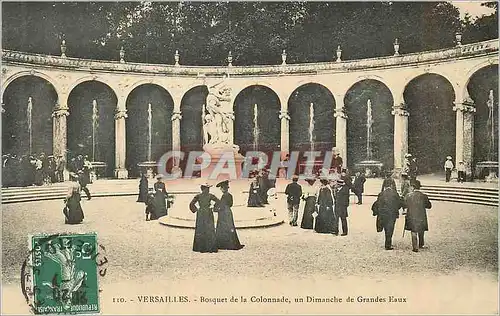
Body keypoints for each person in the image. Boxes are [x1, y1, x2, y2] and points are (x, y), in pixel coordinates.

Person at [372, 178, 403, 250]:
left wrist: (375, 212)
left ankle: (387, 243)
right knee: (390, 228)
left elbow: (377, 204)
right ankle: (388, 244)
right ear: (392, 185)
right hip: (392, 214)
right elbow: (399, 204)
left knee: (386, 228)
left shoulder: (381, 194)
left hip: (383, 214)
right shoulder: (395, 194)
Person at [189, 182, 219, 253]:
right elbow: (218, 202)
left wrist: (196, 210)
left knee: (202, 229)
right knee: (209, 229)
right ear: (204, 189)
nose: (208, 190)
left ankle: (200, 247)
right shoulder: (210, 195)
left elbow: (191, 204)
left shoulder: (198, 196)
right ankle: (210, 247)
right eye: (207, 189)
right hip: (208, 212)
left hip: (201, 213)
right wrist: (214, 208)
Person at [215, 180, 244, 250]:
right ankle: (231, 243)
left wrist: (216, 208)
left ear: (223, 188)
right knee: (229, 226)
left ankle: (224, 244)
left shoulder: (224, 196)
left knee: (223, 227)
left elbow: (221, 205)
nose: (221, 189)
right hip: (228, 212)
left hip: (223, 213)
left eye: (221, 188)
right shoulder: (230, 195)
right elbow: (231, 204)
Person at [404, 180, 432, 252]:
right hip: (421, 214)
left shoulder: (408, 196)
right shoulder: (423, 196)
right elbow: (429, 206)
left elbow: (405, 205)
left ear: (413, 187)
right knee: (421, 229)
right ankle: (421, 244)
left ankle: (415, 246)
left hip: (412, 215)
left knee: (413, 230)